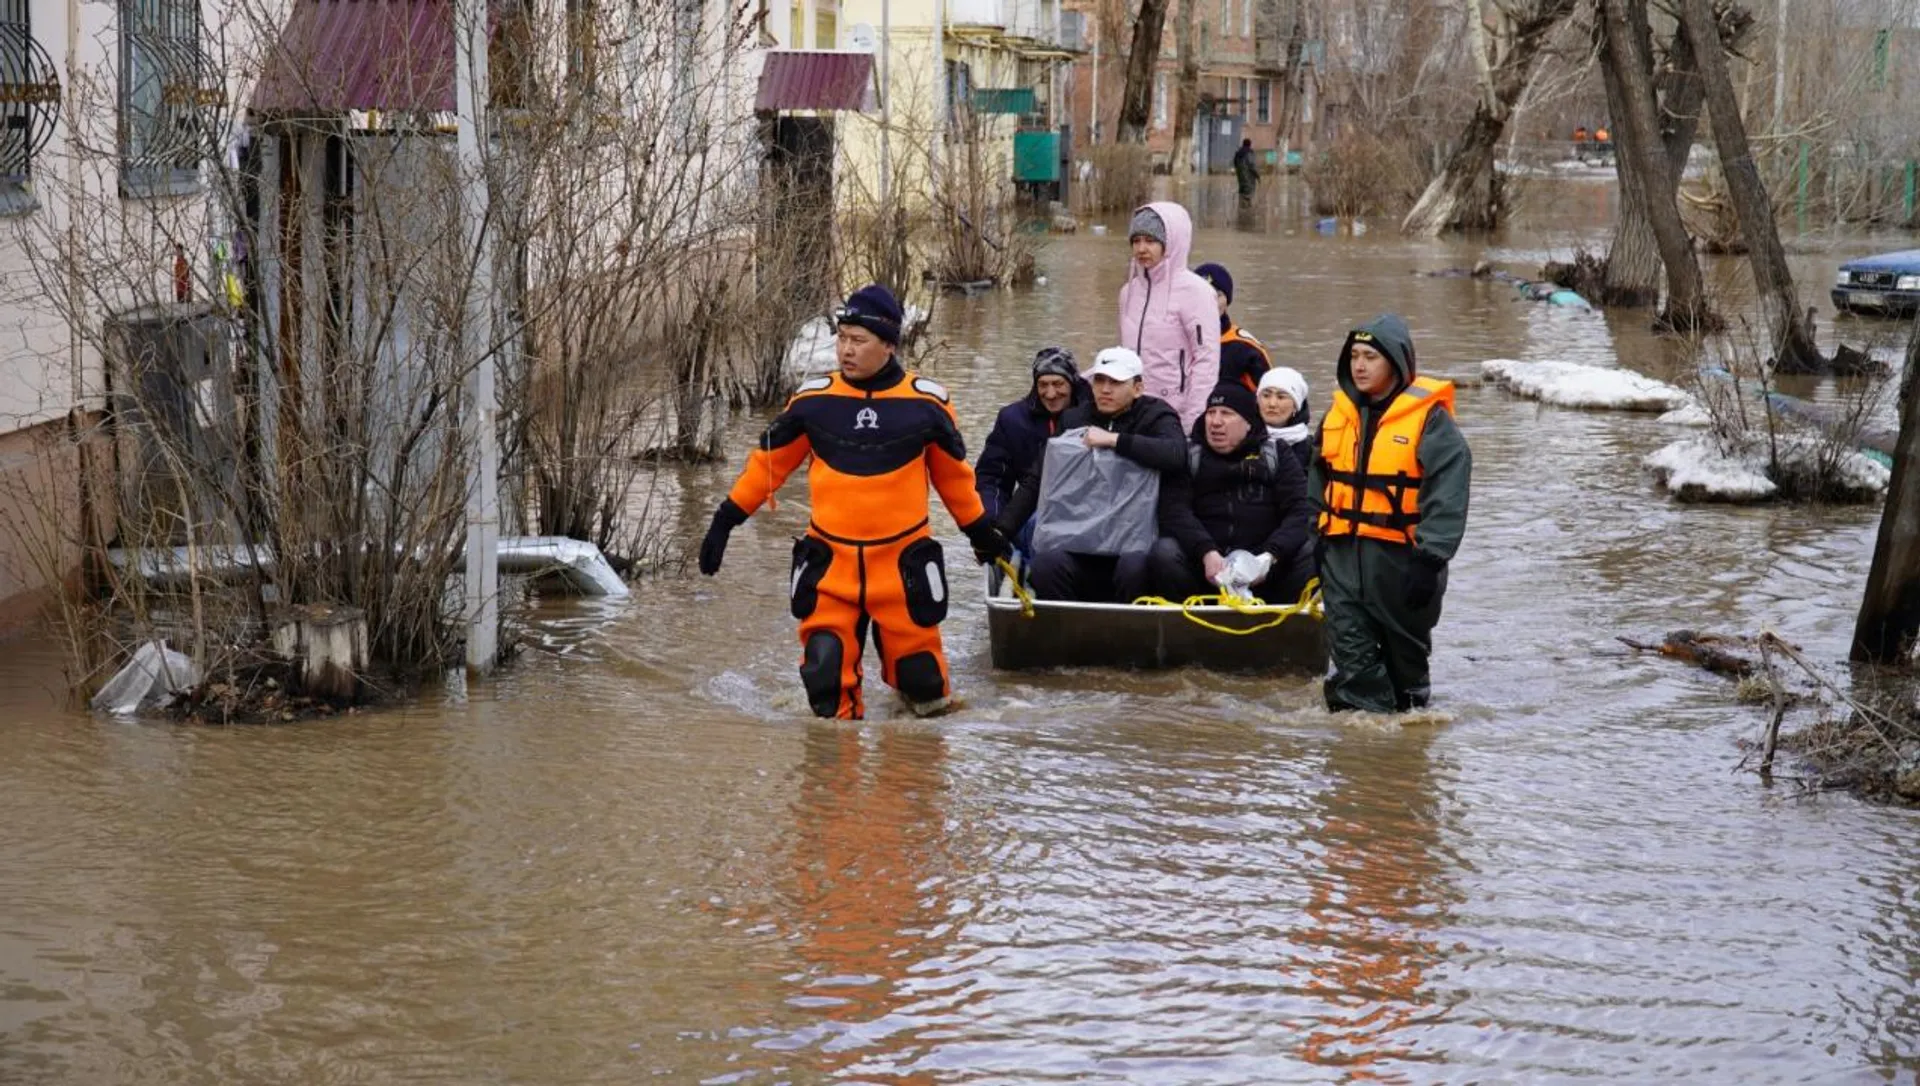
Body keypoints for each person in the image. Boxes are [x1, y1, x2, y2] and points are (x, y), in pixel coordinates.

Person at [698, 284, 1010, 720]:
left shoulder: (927, 404)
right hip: (831, 563)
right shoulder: (813, 401)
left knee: (925, 689)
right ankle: (833, 781)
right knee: (825, 678)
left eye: (858, 340)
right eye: (841, 338)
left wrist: (981, 533)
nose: (846, 350)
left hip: (901, 563)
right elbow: (768, 467)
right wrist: (725, 519)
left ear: (888, 345)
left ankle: (908, 773)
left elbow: (953, 479)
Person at [1311, 315, 1471, 714]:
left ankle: (1402, 744)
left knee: (1407, 675)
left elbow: (1448, 492)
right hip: (1343, 557)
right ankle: (1360, 754)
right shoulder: (1337, 417)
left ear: (1396, 363)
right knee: (1351, 658)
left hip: (1404, 563)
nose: (1359, 366)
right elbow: (1316, 480)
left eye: (1370, 357)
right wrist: (1312, 536)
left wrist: (1431, 556)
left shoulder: (1432, 422)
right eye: (1354, 356)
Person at [996, 347, 1189, 603]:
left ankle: (1133, 632)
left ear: (1138, 388)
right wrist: (1000, 532)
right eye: (1100, 380)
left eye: (1116, 382)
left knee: (1134, 567)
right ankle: (1068, 631)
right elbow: (1038, 479)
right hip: (1082, 542)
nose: (1105, 389)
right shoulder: (1074, 419)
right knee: (1045, 565)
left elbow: (1175, 454)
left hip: (1134, 543)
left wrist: (1115, 440)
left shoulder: (1157, 416)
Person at [1145, 382, 1314, 605]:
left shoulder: (1277, 453)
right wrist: (1206, 551)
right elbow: (1174, 511)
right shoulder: (1189, 455)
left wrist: (1270, 556)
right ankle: (1187, 619)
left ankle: (1283, 617)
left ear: (1247, 423)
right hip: (1204, 567)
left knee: (1312, 550)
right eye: (1211, 413)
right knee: (1164, 552)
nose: (1215, 422)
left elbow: (1300, 510)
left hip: (1264, 568)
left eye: (1226, 414)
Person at [973, 346, 1090, 549]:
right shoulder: (1012, 420)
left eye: (1058, 384)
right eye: (1043, 385)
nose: (1051, 394)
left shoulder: (1096, 414)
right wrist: (992, 522)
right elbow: (992, 478)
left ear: (1072, 383)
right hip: (1029, 513)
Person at [1119, 201, 1220, 431]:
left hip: (1176, 415)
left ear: (1171, 242)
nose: (1141, 248)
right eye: (1136, 241)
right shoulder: (1128, 292)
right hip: (1133, 412)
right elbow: (1124, 356)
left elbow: (1206, 361)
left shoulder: (1196, 292)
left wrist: (1194, 422)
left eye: (1151, 240)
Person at [1192, 262, 1271, 392]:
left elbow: (1269, 399)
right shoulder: (1172, 341)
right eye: (1200, 294)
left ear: (1227, 301)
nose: (1208, 302)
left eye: (1216, 296)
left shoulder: (1246, 348)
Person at [1258, 366, 1313, 474]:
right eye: (1266, 395)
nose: (1272, 404)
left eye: (1281, 397)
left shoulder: (1312, 450)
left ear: (1295, 406)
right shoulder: (1241, 442)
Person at [1232, 138, 1260, 203]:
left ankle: (1241, 209)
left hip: (1240, 176)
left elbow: (1235, 164)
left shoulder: (1238, 152)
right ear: (1250, 144)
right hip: (1248, 176)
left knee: (1242, 190)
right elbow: (1252, 165)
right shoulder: (1250, 152)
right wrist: (1257, 175)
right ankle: (1247, 208)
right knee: (1248, 192)